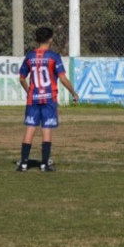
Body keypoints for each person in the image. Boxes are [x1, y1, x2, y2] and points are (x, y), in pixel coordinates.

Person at [16, 27, 79, 172]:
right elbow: (62, 78)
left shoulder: (30, 56)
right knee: (46, 129)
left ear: (37, 39)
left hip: (33, 99)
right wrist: (73, 93)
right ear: (50, 39)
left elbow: (21, 78)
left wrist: (29, 91)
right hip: (49, 99)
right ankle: (44, 164)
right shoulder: (53, 57)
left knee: (30, 128)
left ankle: (24, 163)